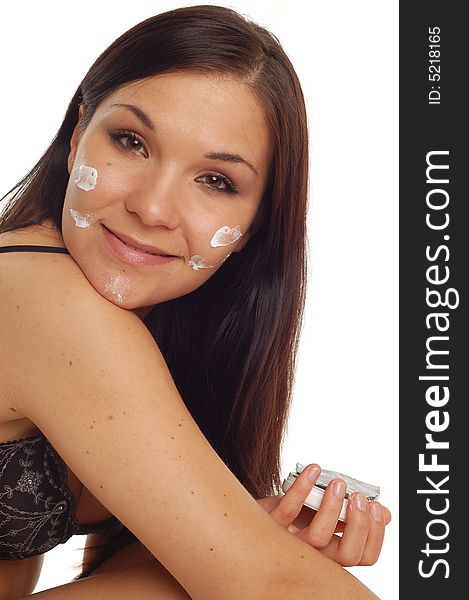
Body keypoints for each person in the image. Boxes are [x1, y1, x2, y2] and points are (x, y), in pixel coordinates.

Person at [0, 5, 391, 599]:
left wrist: (252, 531)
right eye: (131, 142)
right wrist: (261, 556)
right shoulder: (46, 296)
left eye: (216, 181)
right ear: (78, 136)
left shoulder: (154, 331)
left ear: (256, 224)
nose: (152, 208)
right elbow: (271, 584)